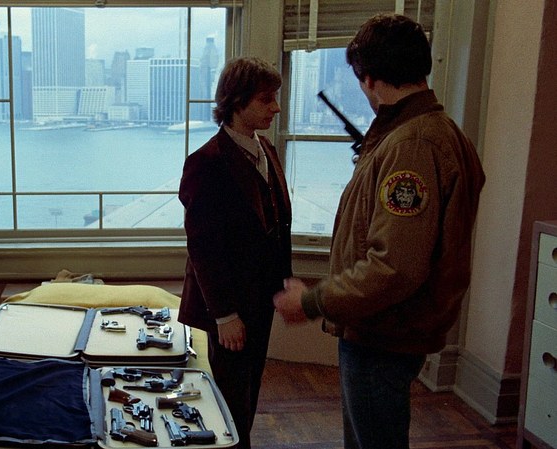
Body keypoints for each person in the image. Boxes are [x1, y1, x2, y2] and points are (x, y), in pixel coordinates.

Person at [273, 13, 485, 449]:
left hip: (381, 336)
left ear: (368, 78)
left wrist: (311, 301)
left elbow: (394, 266)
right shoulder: (433, 133)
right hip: (394, 333)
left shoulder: (412, 144)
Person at [178, 56, 292, 449]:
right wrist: (225, 315)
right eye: (266, 99)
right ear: (237, 101)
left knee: (249, 390)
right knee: (229, 399)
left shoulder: (267, 150)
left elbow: (276, 226)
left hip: (262, 301)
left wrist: (283, 287)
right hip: (230, 308)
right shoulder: (206, 162)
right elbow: (203, 247)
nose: (276, 107)